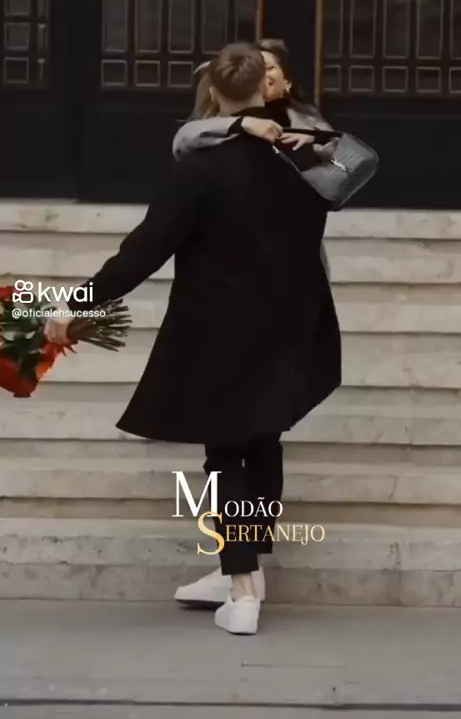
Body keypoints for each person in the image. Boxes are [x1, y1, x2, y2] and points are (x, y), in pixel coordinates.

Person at [45, 43, 341, 636]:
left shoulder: (204, 169)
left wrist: (75, 304)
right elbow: (347, 171)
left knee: (226, 451)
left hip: (222, 332)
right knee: (263, 443)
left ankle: (243, 590)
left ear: (214, 91)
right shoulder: (306, 162)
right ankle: (243, 572)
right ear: (265, 86)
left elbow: (143, 251)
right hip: (289, 324)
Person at [173, 39, 332, 279]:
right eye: (256, 68)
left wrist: (315, 140)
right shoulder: (218, 121)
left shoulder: (306, 121)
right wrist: (241, 123)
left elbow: (343, 164)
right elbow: (184, 139)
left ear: (287, 83)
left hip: (294, 251)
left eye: (269, 67)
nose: (262, 74)